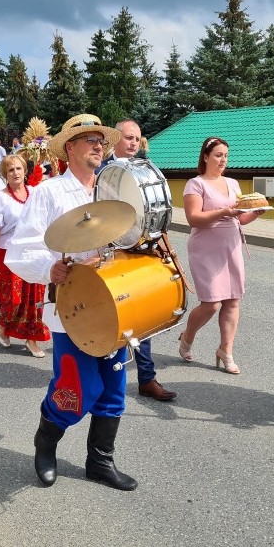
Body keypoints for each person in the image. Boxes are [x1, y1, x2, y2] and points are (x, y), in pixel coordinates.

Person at [6, 113, 137, 491]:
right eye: (90, 140)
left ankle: (100, 462)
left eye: (101, 140)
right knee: (76, 388)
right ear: (69, 148)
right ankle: (45, 441)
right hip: (73, 308)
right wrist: (50, 268)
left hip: (115, 300)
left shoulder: (113, 189)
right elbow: (19, 250)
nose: (100, 146)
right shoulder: (48, 193)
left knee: (113, 389)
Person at [97, 119, 176, 401]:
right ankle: (104, 378)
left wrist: (157, 242)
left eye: (137, 138)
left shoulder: (144, 170)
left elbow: (156, 208)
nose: (134, 143)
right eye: (129, 138)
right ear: (116, 139)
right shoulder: (104, 172)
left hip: (141, 247)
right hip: (110, 250)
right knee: (111, 315)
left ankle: (146, 378)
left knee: (140, 313)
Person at [176, 137, 264, 375]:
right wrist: (223, 211)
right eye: (218, 155)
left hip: (231, 245)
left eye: (225, 155)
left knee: (233, 300)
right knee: (212, 303)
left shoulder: (233, 183)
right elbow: (193, 218)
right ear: (205, 157)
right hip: (205, 247)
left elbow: (239, 217)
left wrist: (255, 212)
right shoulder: (195, 184)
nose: (223, 159)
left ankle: (226, 351)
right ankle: (187, 337)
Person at [0, 154, 50, 357]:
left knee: (35, 298)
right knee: (12, 300)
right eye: (11, 170)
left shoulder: (35, 192)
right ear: (5, 174)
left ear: (25, 171)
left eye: (18, 169)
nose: (15, 173)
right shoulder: (0, 197)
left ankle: (31, 338)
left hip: (34, 252)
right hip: (8, 253)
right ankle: (4, 323)